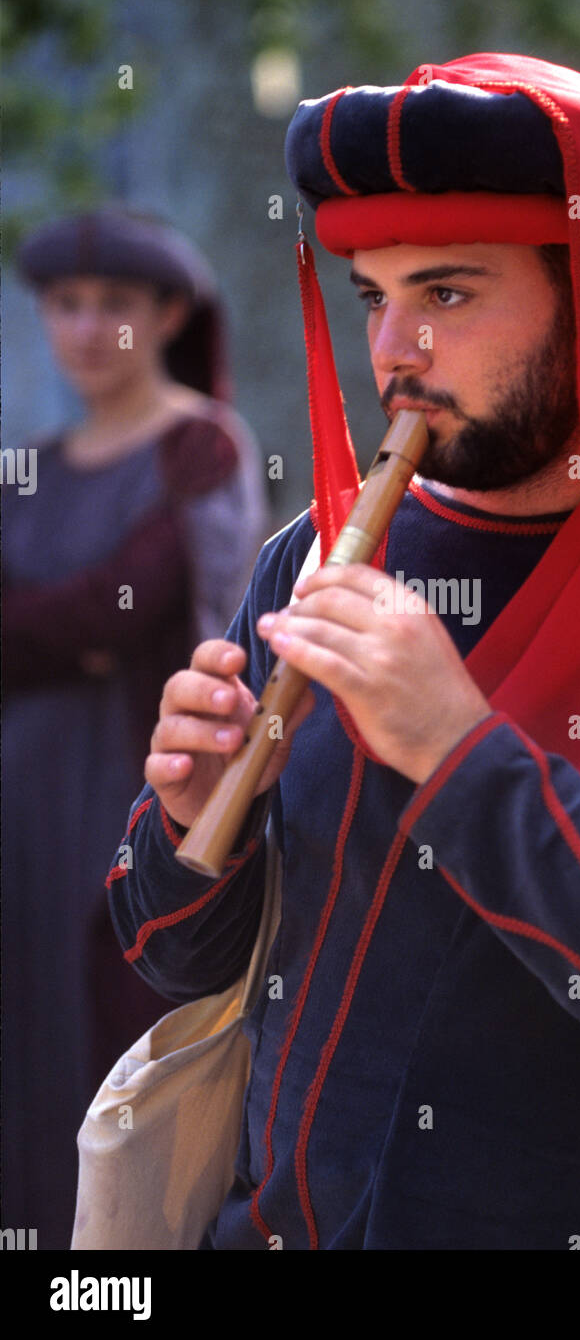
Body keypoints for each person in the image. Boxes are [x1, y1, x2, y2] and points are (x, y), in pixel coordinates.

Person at [108, 56, 580, 1250]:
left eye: (448, 295)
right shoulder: (321, 547)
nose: (395, 349)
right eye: (371, 296)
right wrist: (198, 824)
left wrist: (462, 757)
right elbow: (166, 948)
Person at [1, 207, 267, 1248]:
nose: (85, 326)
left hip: (134, 809)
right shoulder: (29, 467)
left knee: (118, 1062)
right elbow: (79, 622)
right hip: (20, 811)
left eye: (114, 303)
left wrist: (59, 629)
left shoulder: (201, 444)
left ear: (166, 315)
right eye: (66, 304)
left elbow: (138, 599)